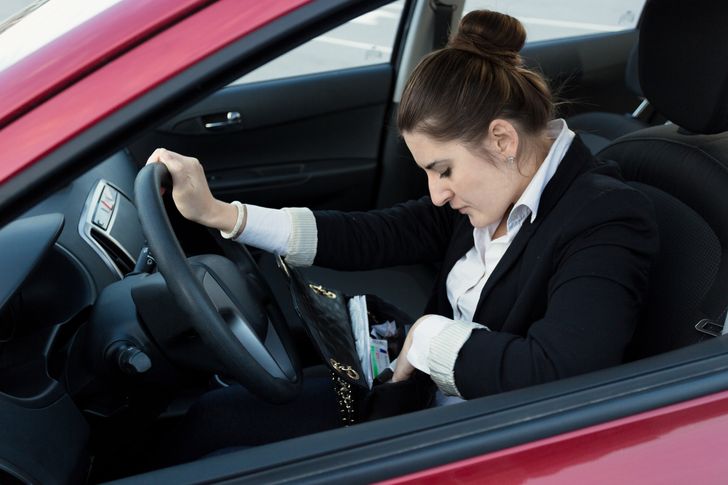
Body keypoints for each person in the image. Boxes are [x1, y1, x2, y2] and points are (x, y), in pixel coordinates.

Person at [146, 9, 657, 455]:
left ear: (502, 139)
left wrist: (426, 339)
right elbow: (373, 235)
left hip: (464, 444)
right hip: (410, 401)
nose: (437, 194)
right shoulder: (493, 190)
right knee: (212, 419)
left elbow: (559, 374)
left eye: (444, 170)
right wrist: (222, 214)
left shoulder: (606, 219)